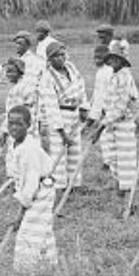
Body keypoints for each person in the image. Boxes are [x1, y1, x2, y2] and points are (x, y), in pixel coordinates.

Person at [6, 105, 57, 272]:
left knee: (28, 233)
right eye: (11, 123)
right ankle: (46, 269)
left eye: (19, 124)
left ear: (28, 125)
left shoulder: (29, 149)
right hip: (34, 189)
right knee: (40, 231)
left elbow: (31, 183)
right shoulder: (16, 146)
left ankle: (28, 273)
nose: (14, 127)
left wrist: (21, 213)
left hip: (41, 191)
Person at [90, 40, 139, 199]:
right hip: (110, 122)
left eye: (116, 59)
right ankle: (119, 184)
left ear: (122, 61)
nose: (113, 62)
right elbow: (107, 99)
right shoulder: (112, 75)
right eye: (111, 59)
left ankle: (125, 191)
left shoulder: (124, 77)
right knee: (112, 156)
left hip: (123, 122)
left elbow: (120, 106)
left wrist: (100, 127)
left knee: (125, 157)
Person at [38, 42, 88, 195]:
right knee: (58, 154)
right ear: (50, 60)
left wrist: (84, 107)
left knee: (75, 150)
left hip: (74, 114)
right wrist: (62, 132)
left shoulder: (71, 69)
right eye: (56, 56)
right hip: (59, 116)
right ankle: (58, 187)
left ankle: (74, 185)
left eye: (62, 55)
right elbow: (51, 106)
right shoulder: (47, 77)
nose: (60, 59)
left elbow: (81, 87)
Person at [85, 44, 116, 178]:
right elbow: (97, 94)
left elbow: (106, 93)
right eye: (95, 58)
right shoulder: (100, 72)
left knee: (109, 136)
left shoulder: (109, 72)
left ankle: (110, 162)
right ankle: (107, 161)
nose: (96, 60)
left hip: (108, 108)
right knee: (104, 137)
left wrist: (99, 112)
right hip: (101, 108)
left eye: (99, 58)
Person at [0, 57, 39, 146]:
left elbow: (17, 112)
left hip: (21, 129)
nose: (7, 74)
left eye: (11, 71)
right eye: (6, 72)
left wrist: (4, 131)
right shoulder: (16, 87)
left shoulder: (21, 88)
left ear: (20, 72)